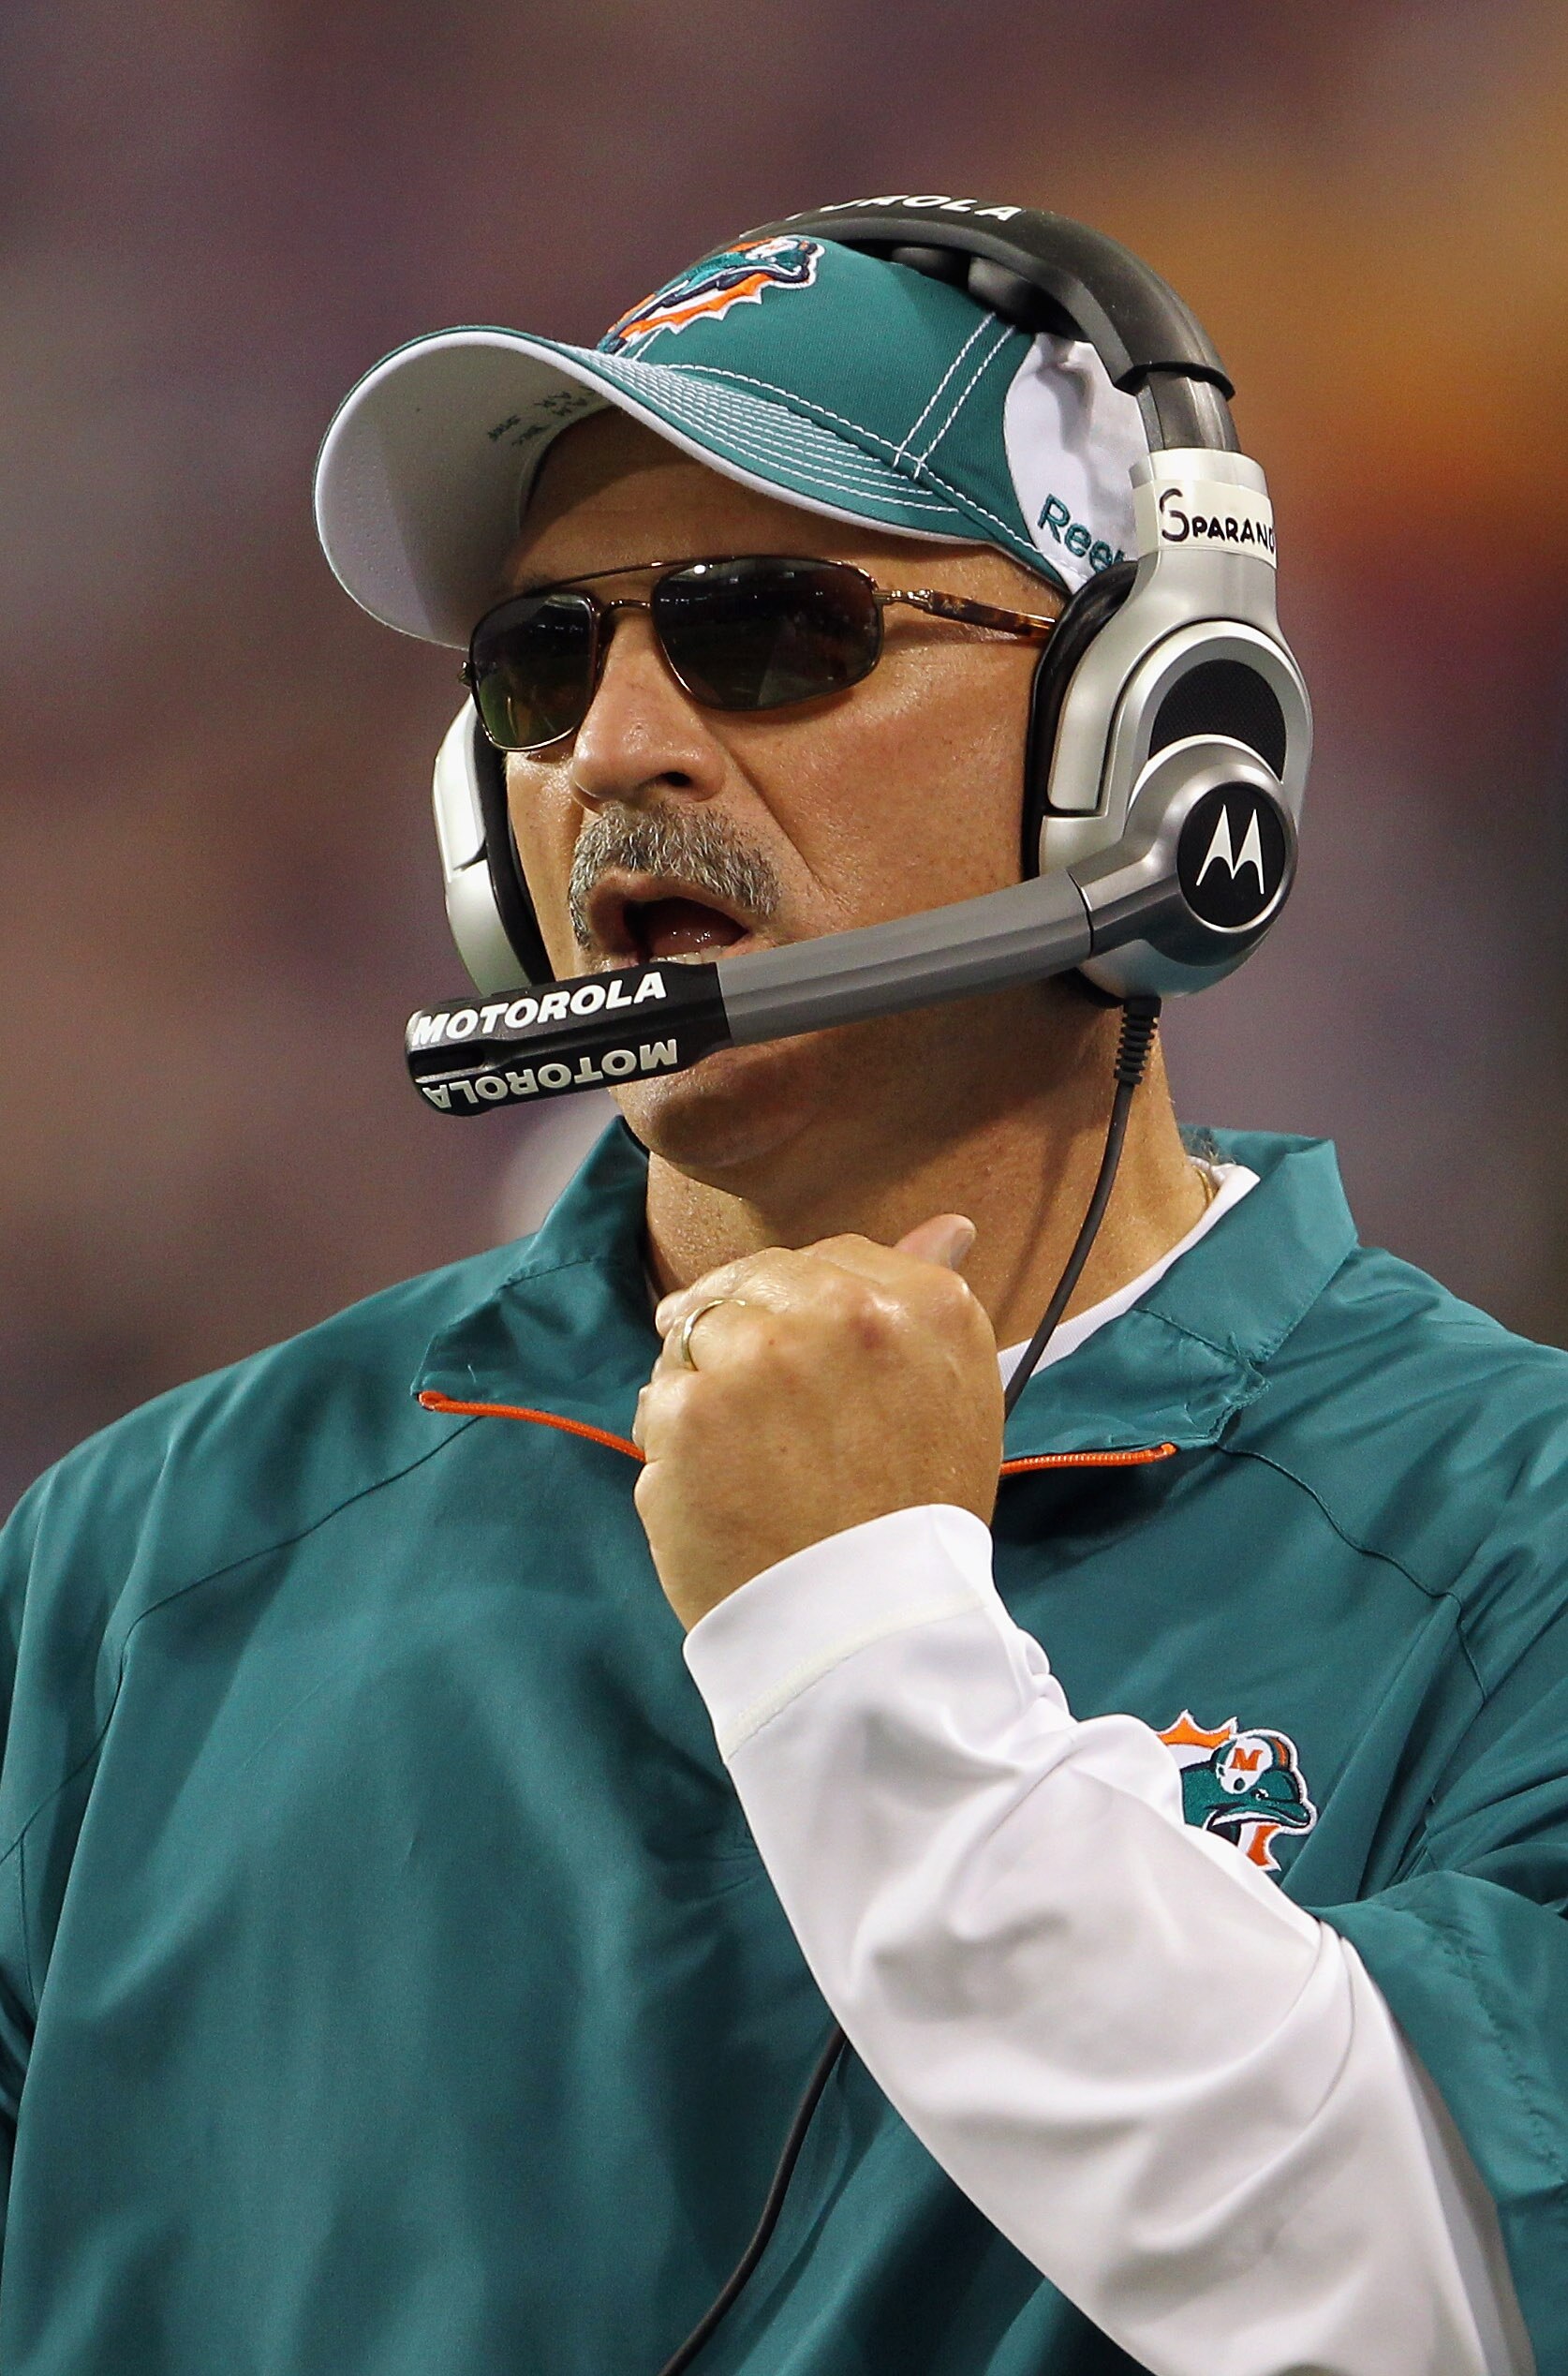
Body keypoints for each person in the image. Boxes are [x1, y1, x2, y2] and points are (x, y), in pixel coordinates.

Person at [0, 208, 1560, 2376]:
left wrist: (857, 1630)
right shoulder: (140, 1550)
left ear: (1157, 735)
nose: (613, 747)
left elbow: (1436, 2293)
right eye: (541, 663)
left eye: (762, 629)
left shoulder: (1525, 1548)